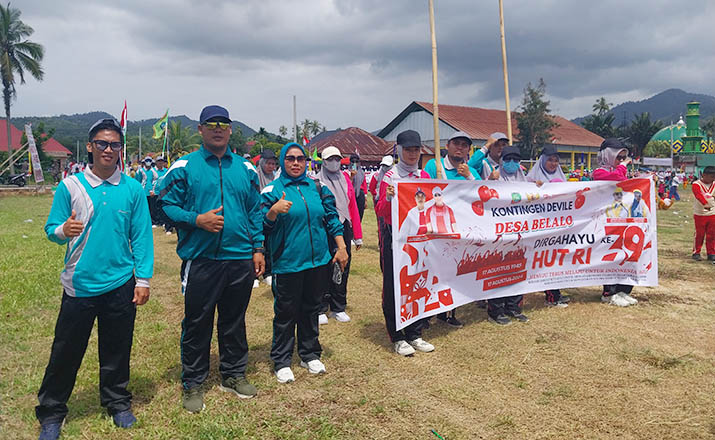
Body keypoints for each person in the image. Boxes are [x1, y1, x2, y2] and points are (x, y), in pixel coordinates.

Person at [36, 118, 153, 440]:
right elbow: (52, 230)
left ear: (120, 149)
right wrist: (63, 230)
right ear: (90, 147)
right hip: (79, 284)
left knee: (117, 349)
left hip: (120, 283)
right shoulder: (70, 186)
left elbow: (142, 236)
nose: (108, 149)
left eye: (115, 144)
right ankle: (52, 412)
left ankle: (117, 402)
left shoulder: (131, 188)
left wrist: (142, 280)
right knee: (66, 351)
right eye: (102, 143)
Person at [157, 105, 265, 413]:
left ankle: (232, 374)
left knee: (234, 320)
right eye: (211, 124)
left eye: (223, 124)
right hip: (201, 259)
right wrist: (196, 219)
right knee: (197, 323)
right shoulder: (183, 166)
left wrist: (258, 248)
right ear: (201, 130)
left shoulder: (244, 168)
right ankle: (193, 383)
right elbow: (164, 206)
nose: (218, 128)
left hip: (239, 258)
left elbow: (254, 211)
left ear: (230, 129)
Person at [261, 142, 349, 383]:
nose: (296, 163)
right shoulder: (271, 191)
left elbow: (331, 218)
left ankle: (309, 353)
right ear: (283, 161)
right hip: (288, 262)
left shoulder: (317, 188)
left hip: (318, 261)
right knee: (286, 312)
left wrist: (341, 246)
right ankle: (281, 360)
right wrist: (273, 212)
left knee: (312, 308)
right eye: (290, 159)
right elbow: (261, 227)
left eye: (300, 158)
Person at [376, 129, 435, 356]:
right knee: (394, 286)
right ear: (399, 150)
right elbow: (380, 210)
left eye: (416, 149)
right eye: (408, 149)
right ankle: (397, 335)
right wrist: (390, 196)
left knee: (417, 284)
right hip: (396, 239)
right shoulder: (391, 177)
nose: (412, 154)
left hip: (420, 240)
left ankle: (415, 332)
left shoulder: (425, 177)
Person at [423, 131, 481, 327]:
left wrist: (470, 176)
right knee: (432, 270)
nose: (460, 148)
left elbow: (482, 195)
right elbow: (422, 191)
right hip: (437, 229)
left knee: (455, 271)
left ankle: (449, 312)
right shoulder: (434, 166)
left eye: (465, 145)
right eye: (457, 143)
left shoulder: (470, 170)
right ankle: (425, 314)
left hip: (460, 230)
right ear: (448, 145)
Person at [317, 147, 363, 324]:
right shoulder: (316, 181)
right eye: (330, 159)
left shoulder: (345, 179)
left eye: (337, 159)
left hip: (344, 226)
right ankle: (320, 306)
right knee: (322, 267)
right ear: (323, 160)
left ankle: (338, 306)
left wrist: (357, 236)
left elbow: (352, 208)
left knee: (343, 267)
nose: (334, 162)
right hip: (324, 227)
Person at [487, 145, 529, 325]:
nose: (512, 163)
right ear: (501, 160)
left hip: (520, 233)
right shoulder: (494, 176)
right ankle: (496, 310)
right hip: (500, 234)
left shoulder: (524, 179)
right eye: (508, 159)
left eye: (516, 160)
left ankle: (514, 306)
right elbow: (482, 198)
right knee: (499, 271)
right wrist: (489, 181)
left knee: (518, 269)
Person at [592, 138, 637, 307]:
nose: (621, 161)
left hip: (622, 219)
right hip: (605, 220)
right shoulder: (599, 172)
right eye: (619, 158)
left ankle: (623, 290)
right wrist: (623, 166)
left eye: (623, 158)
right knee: (610, 254)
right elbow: (617, 178)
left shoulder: (620, 170)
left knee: (626, 253)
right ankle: (608, 292)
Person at [526, 144, 571, 308]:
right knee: (546, 260)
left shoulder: (561, 177)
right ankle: (551, 297)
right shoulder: (532, 179)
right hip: (541, 227)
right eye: (550, 160)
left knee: (557, 259)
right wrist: (536, 188)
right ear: (543, 160)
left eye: (556, 161)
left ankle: (556, 292)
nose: (553, 164)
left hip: (558, 225)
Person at [256, 149, 279, 286]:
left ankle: (268, 272)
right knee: (257, 245)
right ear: (262, 163)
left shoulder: (274, 178)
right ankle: (255, 275)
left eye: (273, 164)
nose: (271, 167)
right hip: (256, 216)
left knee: (270, 245)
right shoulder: (255, 175)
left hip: (271, 216)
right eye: (268, 163)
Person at [691, 166, 715, 261]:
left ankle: (711, 253)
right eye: (711, 177)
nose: (712, 179)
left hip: (712, 213)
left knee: (712, 234)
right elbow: (698, 195)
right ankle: (696, 252)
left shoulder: (714, 184)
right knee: (699, 234)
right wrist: (705, 204)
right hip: (700, 213)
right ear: (704, 175)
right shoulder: (696, 184)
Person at [135, 156, 159, 227]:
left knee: (152, 208)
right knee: (143, 208)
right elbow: (137, 181)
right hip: (143, 192)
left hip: (151, 192)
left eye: (149, 160)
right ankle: (143, 222)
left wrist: (153, 190)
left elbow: (155, 180)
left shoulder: (154, 171)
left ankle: (153, 222)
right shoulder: (140, 171)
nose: (148, 162)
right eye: (147, 160)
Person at [349, 154, 367, 221]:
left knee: (360, 214)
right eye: (353, 161)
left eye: (356, 161)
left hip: (360, 194)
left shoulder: (362, 173)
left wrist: (365, 199)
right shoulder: (346, 172)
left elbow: (364, 185)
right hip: (350, 194)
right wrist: (351, 177)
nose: (355, 163)